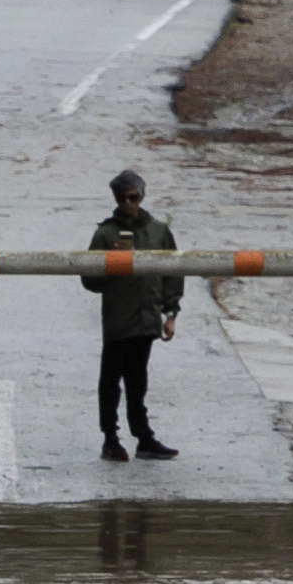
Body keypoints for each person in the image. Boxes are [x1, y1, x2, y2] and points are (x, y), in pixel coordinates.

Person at [82, 163, 183, 463]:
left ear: (141, 196)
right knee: (110, 380)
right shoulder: (106, 233)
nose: (127, 204)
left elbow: (173, 273)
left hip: (147, 320)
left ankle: (143, 437)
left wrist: (171, 313)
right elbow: (90, 280)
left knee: (138, 382)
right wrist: (111, 263)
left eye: (132, 197)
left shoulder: (159, 231)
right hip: (118, 319)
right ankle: (110, 438)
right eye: (122, 198)